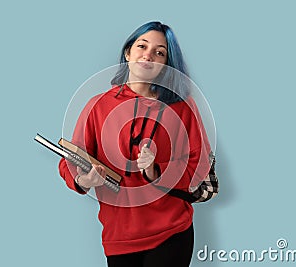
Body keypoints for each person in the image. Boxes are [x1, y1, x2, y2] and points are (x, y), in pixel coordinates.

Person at [59, 21, 217, 267]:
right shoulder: (97, 106)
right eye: (142, 46)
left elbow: (199, 165)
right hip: (118, 236)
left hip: (172, 232)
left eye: (160, 52)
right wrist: (84, 180)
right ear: (127, 52)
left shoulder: (183, 107)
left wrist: (156, 170)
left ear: (166, 64)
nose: (149, 55)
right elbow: (69, 162)